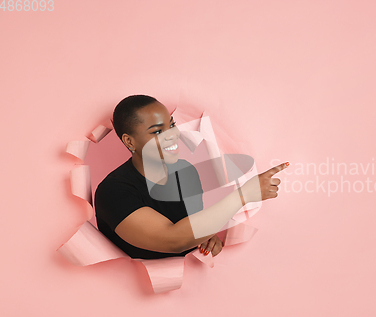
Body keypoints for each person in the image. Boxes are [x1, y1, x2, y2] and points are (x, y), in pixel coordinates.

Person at [94, 95, 289, 260]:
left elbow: (192, 227)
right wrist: (244, 195)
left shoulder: (185, 173)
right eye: (158, 132)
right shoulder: (113, 192)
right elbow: (174, 240)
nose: (171, 135)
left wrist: (204, 236)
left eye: (172, 125)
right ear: (129, 141)